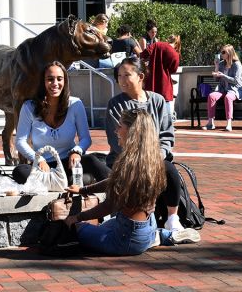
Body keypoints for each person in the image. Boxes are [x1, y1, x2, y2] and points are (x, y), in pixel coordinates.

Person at [64, 109, 200, 256]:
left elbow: (110, 205)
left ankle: (153, 238)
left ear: (131, 131)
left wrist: (77, 218)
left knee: (80, 229)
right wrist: (83, 190)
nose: (116, 130)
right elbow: (113, 182)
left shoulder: (129, 163)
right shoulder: (151, 160)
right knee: (104, 226)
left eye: (120, 126)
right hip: (146, 224)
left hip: (127, 238)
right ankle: (162, 235)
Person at [105, 57, 183, 231]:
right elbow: (117, 140)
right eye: (119, 76)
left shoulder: (158, 101)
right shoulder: (115, 104)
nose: (122, 80)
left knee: (168, 168)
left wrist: (157, 156)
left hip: (155, 158)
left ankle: (172, 218)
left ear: (140, 76)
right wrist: (143, 159)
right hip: (125, 160)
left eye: (127, 75)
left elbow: (167, 136)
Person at [12, 61, 111, 185]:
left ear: (65, 81)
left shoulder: (75, 104)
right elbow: (20, 141)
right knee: (20, 171)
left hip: (69, 163)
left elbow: (85, 138)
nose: (55, 84)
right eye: (50, 79)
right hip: (43, 167)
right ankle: (71, 181)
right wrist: (38, 159)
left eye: (59, 79)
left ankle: (122, 187)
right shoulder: (29, 107)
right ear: (42, 82)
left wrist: (76, 151)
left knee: (91, 160)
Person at [203, 44, 242, 132]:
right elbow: (216, 79)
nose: (221, 54)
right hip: (223, 89)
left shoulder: (237, 64)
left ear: (229, 53)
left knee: (228, 97)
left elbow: (236, 81)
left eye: (223, 52)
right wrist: (216, 66)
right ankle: (210, 123)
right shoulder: (222, 64)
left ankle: (229, 123)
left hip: (235, 89)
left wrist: (223, 75)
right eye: (221, 52)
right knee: (211, 96)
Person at [140, 34, 181, 116]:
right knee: (166, 116)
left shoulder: (157, 44)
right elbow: (173, 70)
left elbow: (143, 54)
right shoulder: (174, 54)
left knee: (149, 112)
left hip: (151, 83)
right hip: (164, 85)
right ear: (177, 44)